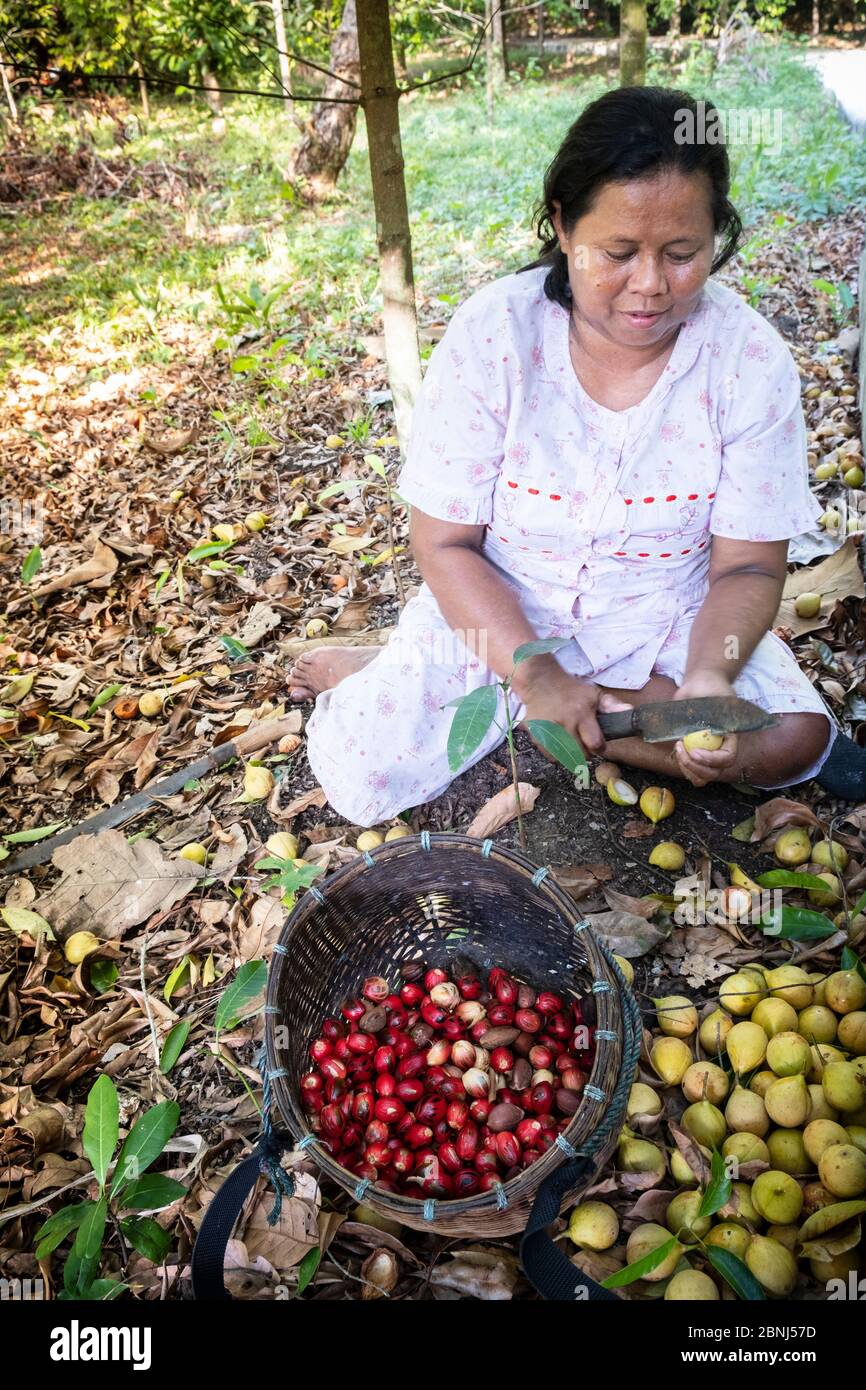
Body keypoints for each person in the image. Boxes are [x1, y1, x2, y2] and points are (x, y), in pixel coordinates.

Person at [289, 86, 839, 828]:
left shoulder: (748, 361)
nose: (650, 284)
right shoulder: (496, 336)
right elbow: (445, 545)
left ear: (716, 237)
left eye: (682, 254)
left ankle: (548, 719)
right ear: (561, 224)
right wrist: (535, 670)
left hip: (667, 614)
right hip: (508, 613)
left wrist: (709, 676)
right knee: (368, 762)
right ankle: (520, 700)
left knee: (787, 738)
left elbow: (746, 567)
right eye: (618, 252)